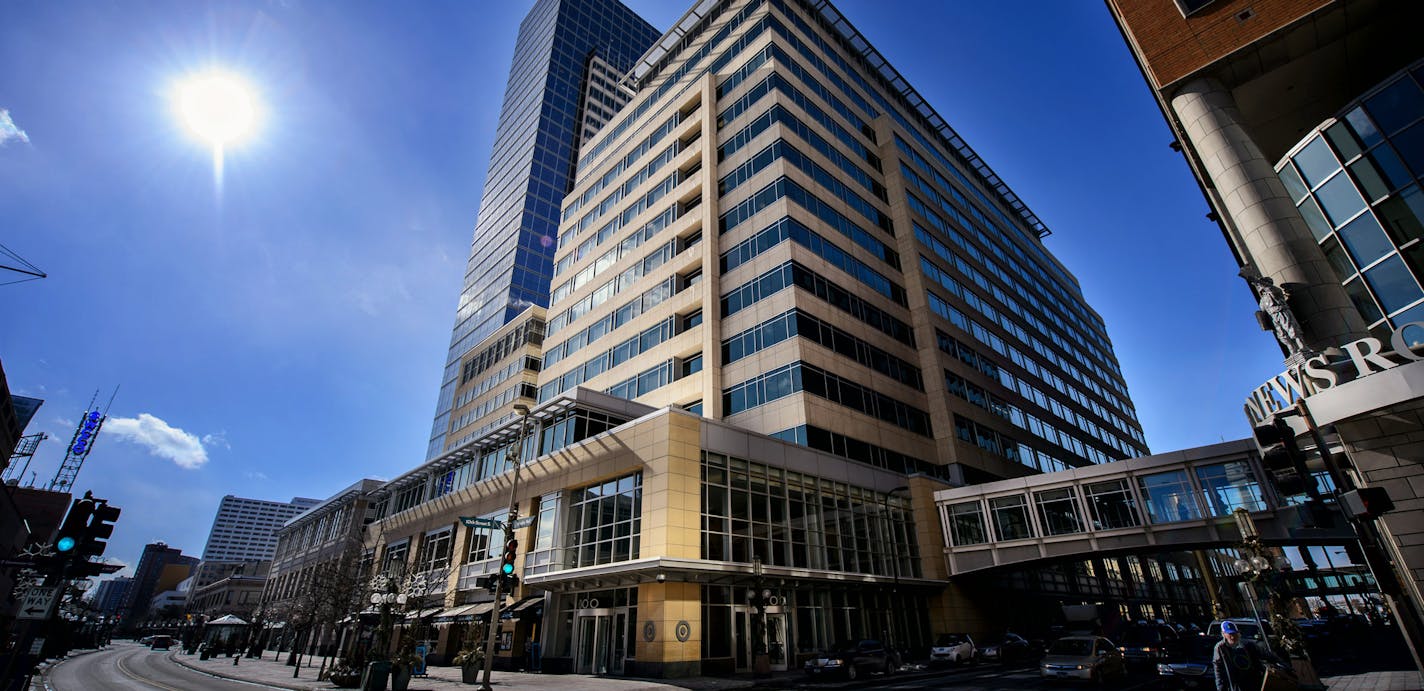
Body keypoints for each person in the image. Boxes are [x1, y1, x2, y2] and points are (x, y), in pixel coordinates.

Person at [1213, 621, 1278, 691]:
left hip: (1253, 681)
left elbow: (1266, 655)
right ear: (1223, 634)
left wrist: (1281, 664)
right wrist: (1220, 688)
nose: (1232, 637)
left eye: (1234, 633)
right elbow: (1218, 670)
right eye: (1230, 634)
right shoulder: (1220, 648)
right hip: (1236, 685)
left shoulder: (1247, 644)